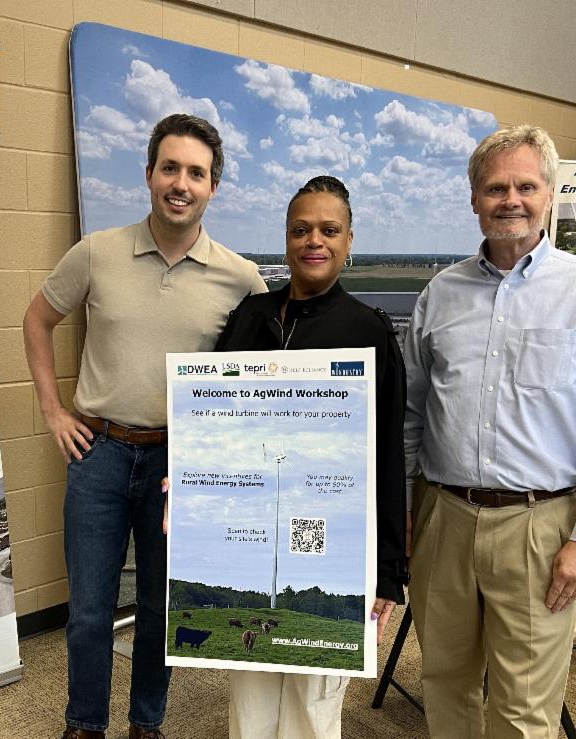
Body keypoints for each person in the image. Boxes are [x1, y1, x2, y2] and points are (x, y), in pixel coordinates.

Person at [23, 113, 266, 739]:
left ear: (214, 187)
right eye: (170, 168)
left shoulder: (240, 279)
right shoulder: (97, 252)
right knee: (89, 611)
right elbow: (35, 321)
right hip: (99, 454)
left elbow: (264, 375)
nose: (181, 183)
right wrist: (53, 410)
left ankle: (146, 724)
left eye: (196, 172)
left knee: (162, 608)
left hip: (180, 467)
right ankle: (85, 725)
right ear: (149, 174)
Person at [403, 124, 576, 738]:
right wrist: (405, 508)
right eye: (494, 187)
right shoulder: (439, 295)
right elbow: (411, 414)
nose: (510, 199)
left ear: (550, 195)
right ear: (474, 199)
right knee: (445, 685)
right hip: (443, 518)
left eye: (525, 186)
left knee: (525, 709)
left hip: (541, 527)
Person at [213, 175, 408, 739]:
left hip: (332, 545)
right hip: (250, 538)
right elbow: (214, 421)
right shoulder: (250, 317)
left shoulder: (367, 330)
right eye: (301, 230)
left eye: (329, 229)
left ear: (349, 240)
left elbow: (387, 454)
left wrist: (388, 573)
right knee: (249, 696)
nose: (313, 241)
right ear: (286, 239)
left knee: (312, 704)